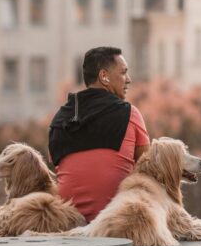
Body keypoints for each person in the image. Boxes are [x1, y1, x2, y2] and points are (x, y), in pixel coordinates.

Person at [49, 46, 150, 223]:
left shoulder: (59, 120)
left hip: (67, 223)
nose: (129, 80)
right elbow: (150, 171)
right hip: (116, 223)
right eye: (124, 73)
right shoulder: (129, 114)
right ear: (104, 76)